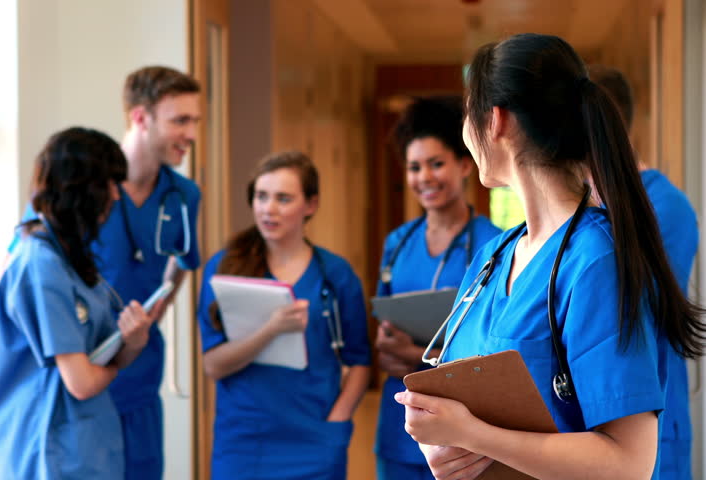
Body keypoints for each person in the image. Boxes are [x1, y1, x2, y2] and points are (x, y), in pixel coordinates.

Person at [395, 33, 705, 480]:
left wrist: (474, 436)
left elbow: (629, 464)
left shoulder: (594, 262)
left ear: (496, 120)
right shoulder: (494, 256)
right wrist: (438, 437)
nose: (465, 133)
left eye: (467, 114)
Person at [9, 66, 202, 479]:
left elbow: (182, 263)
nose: (191, 134)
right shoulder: (72, 194)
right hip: (78, 373)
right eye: (180, 120)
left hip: (138, 372)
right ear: (140, 117)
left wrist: (148, 321)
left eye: (195, 120)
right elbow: (28, 269)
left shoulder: (183, 196)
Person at [0, 127, 154, 479]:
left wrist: (133, 341)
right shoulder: (40, 264)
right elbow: (82, 382)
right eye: (109, 184)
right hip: (50, 446)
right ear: (82, 189)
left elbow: (97, 357)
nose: (116, 197)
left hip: (85, 442)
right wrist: (117, 365)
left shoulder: (70, 257)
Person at [196, 151, 372, 480]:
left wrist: (338, 420)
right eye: (261, 196)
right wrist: (271, 329)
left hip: (316, 438)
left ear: (310, 205)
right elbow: (214, 365)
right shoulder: (225, 270)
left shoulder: (336, 275)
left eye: (283, 198)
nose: (268, 209)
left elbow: (360, 361)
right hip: (244, 442)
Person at [373, 96, 501, 480]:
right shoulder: (398, 243)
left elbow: (495, 351)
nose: (424, 177)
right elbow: (385, 329)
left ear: (465, 165)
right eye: (414, 167)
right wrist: (388, 351)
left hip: (463, 432)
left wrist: (415, 354)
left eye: (436, 163)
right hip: (400, 423)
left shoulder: (494, 244)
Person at [589, 63, 699, 480]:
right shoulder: (589, 206)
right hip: (600, 426)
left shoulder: (665, 207)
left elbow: (626, 307)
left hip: (651, 423)